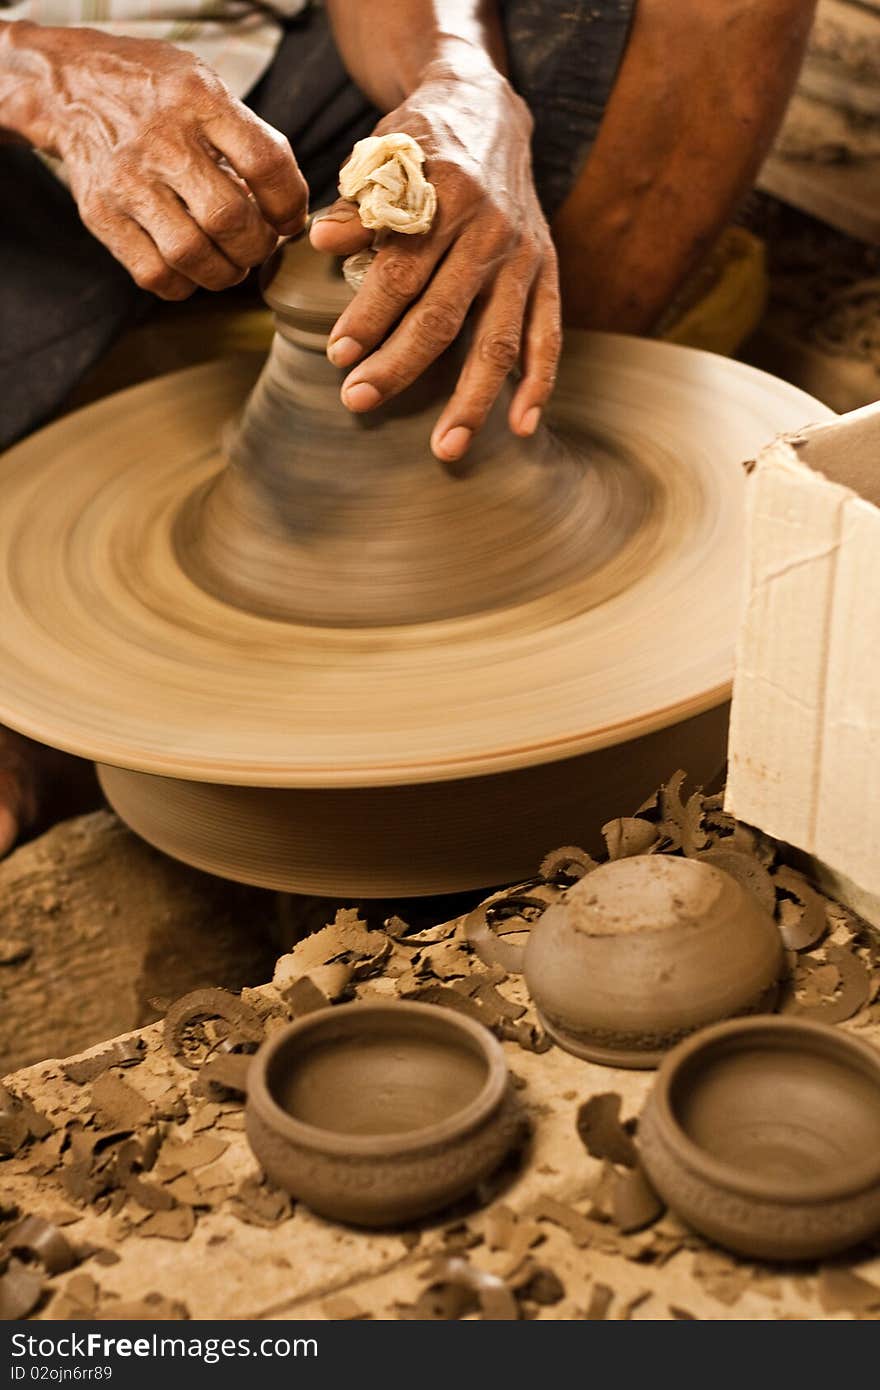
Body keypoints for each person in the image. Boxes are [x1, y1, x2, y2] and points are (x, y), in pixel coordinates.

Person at [0, 0, 816, 855]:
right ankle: (46, 718)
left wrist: (462, 74)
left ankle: (524, 450)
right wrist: (43, 78)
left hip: (255, 81)